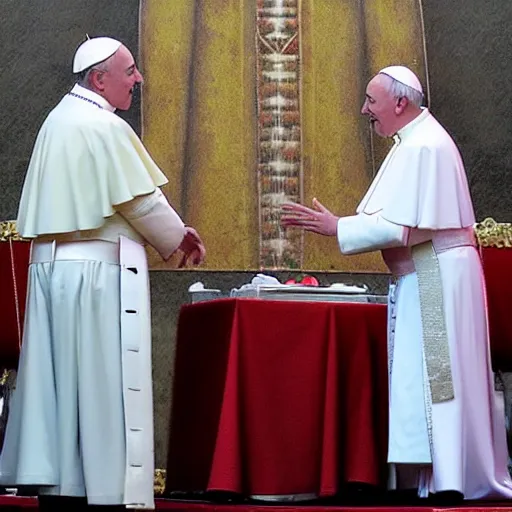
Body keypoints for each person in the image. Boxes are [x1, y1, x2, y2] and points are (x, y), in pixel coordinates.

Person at [281, 66, 512, 501]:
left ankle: (449, 480)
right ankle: (433, 479)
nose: (365, 109)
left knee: (438, 377)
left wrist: (336, 227)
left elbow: (399, 228)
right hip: (427, 271)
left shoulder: (424, 146)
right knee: (426, 378)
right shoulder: (413, 142)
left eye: (371, 100)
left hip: (434, 271)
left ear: (400, 103)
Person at [0, 36, 205, 510]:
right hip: (92, 277)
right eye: (129, 70)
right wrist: (178, 237)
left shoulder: (58, 119)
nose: (138, 78)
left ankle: (63, 480)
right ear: (99, 78)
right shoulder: (102, 126)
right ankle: (99, 487)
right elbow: (139, 199)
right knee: (95, 384)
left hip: (54, 272)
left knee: (61, 386)